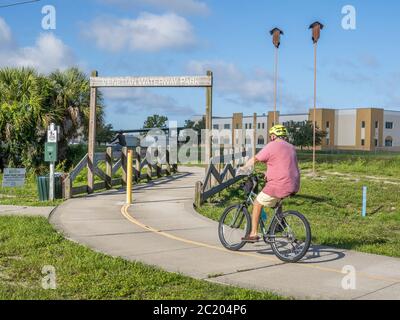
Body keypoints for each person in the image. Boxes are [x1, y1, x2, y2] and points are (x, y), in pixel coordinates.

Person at [239, 124, 300, 242]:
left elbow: (256, 159)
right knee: (276, 201)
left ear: (273, 136)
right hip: (294, 183)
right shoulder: (291, 147)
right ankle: (279, 223)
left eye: (270, 136)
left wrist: (244, 168)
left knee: (257, 203)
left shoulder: (272, 146)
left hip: (280, 183)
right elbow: (282, 164)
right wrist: (267, 173)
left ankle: (253, 234)